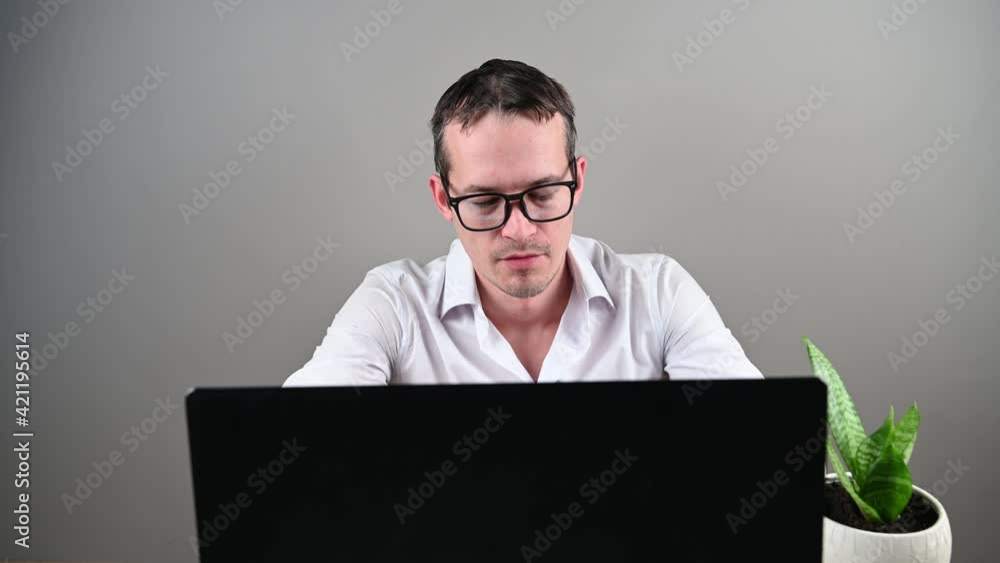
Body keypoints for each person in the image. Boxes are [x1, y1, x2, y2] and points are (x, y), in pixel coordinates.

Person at [283, 59, 761, 387]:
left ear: (577, 181)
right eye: (486, 201)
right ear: (443, 199)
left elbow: (756, 441)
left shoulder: (658, 294)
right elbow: (292, 449)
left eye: (542, 193)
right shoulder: (392, 306)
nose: (519, 229)